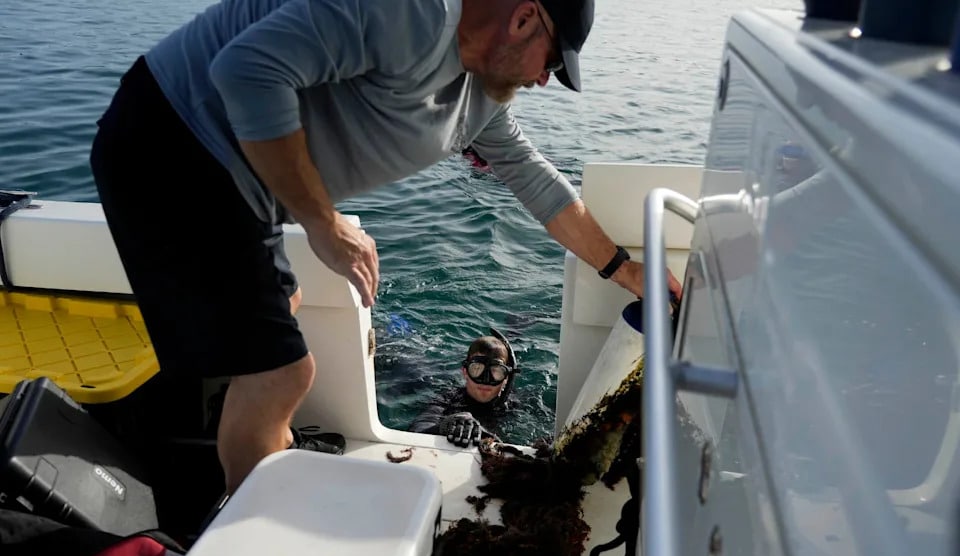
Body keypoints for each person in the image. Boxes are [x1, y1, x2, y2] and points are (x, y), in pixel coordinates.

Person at [89, 0, 684, 494]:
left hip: (247, 185)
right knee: (282, 376)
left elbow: (537, 181)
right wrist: (323, 224)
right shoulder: (416, 13)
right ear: (525, 17)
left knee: (277, 328)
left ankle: (243, 466)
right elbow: (246, 71)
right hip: (174, 143)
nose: (541, 80)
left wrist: (623, 268)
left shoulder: (481, 97)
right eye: (551, 61)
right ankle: (254, 552)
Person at [409, 330, 518, 446]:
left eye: (496, 371)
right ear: (465, 372)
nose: (486, 380)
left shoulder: (515, 406)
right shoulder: (448, 400)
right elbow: (417, 431)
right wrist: (446, 425)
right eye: (477, 369)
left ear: (506, 378)